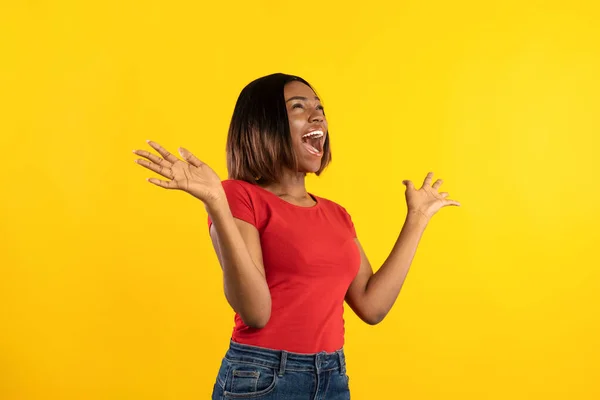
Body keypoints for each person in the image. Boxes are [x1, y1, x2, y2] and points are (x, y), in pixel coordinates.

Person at [132, 73, 460, 399]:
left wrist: (416, 219)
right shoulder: (237, 196)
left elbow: (372, 307)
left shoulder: (337, 214)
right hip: (261, 377)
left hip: (332, 377)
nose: (317, 115)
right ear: (264, 125)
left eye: (319, 108)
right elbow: (256, 313)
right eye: (298, 107)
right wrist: (215, 203)